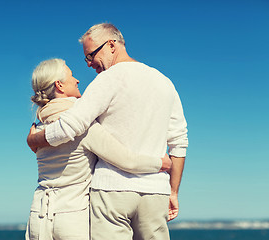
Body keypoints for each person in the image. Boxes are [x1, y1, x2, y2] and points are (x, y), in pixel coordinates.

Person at [27, 23, 188, 240]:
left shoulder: (106, 80)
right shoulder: (165, 83)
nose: (89, 64)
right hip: (156, 190)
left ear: (111, 45)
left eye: (91, 55)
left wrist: (35, 138)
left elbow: (71, 125)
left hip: (111, 191)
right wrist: (173, 191)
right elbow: (179, 142)